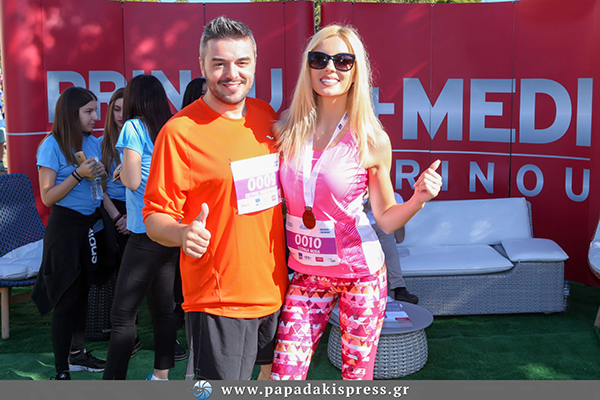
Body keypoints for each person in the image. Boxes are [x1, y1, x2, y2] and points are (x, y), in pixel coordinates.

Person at [270, 25, 442, 380]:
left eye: (342, 61)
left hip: (360, 274)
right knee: (284, 375)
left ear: (355, 71)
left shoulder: (371, 138)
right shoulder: (285, 130)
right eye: (319, 59)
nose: (329, 68)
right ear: (308, 67)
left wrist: (418, 199)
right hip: (306, 274)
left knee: (356, 378)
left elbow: (386, 219)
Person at [143, 16, 288, 381]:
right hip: (218, 300)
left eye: (241, 62)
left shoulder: (265, 117)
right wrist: (182, 233)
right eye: (219, 63)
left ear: (254, 63)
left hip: (273, 290)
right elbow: (154, 217)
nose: (231, 73)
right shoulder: (179, 132)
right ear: (202, 65)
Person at [32, 86, 116, 380]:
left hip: (90, 226)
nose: (96, 117)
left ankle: (78, 355)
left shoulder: (92, 142)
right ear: (71, 113)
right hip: (65, 229)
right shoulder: (51, 145)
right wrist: (79, 174)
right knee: (66, 298)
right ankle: (61, 368)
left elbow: (98, 190)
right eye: (89, 111)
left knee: (83, 294)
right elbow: (47, 197)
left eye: (96, 110)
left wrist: (101, 176)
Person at [102, 75, 179, 381]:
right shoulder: (171, 125)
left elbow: (133, 181)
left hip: (145, 232)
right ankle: (161, 378)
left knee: (122, 315)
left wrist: (122, 172)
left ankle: (113, 385)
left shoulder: (133, 127)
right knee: (163, 309)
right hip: (170, 228)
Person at [364, 193, 418, 304]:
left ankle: (398, 288)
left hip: (385, 238)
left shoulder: (395, 197)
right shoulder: (355, 196)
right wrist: (366, 208)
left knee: (384, 231)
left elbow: (400, 238)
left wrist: (392, 212)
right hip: (361, 233)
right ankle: (398, 288)